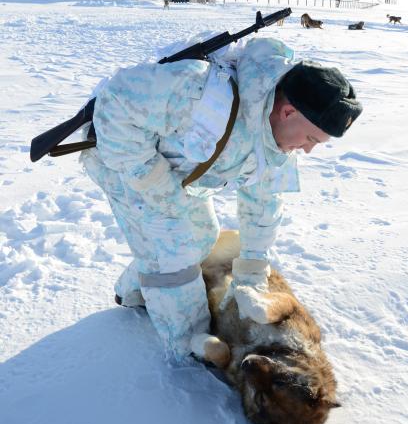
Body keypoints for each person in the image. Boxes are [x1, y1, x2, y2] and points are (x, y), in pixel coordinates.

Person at [80, 35, 362, 362]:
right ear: (287, 112)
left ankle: (133, 291)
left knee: (202, 236)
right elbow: (116, 101)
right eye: (312, 138)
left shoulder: (276, 145)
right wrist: (152, 180)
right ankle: (189, 345)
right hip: (122, 160)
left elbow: (263, 205)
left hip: (179, 173)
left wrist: (252, 276)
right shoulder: (200, 92)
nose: (309, 149)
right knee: (175, 249)